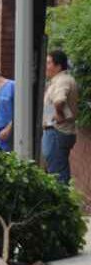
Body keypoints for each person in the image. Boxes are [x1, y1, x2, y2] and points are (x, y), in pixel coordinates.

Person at [42, 50, 80, 184]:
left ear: (58, 66)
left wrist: (59, 114)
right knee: (56, 169)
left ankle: (60, 202)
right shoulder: (59, 80)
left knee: (58, 174)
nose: (46, 66)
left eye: (48, 63)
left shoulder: (62, 81)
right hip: (56, 131)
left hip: (57, 131)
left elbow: (59, 100)